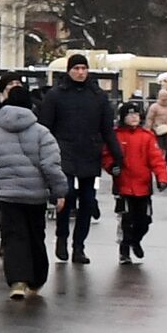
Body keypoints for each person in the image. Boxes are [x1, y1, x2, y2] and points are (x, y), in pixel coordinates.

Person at [0, 85, 66, 300]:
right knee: (36, 235)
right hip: (36, 196)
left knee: (14, 236)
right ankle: (36, 279)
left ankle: (17, 280)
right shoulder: (43, 133)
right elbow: (51, 165)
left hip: (6, 195)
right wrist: (59, 191)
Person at [39, 53, 123, 265]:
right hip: (63, 152)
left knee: (87, 201)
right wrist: (42, 153)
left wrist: (118, 155)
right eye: (76, 69)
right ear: (69, 71)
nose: (80, 72)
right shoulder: (56, 95)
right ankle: (61, 237)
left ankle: (79, 246)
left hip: (89, 152)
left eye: (83, 69)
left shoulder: (97, 96)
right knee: (65, 197)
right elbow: (45, 127)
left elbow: (107, 129)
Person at [106, 103, 167, 264]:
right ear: (123, 117)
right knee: (126, 220)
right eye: (130, 115)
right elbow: (107, 155)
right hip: (123, 185)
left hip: (143, 186)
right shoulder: (116, 136)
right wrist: (111, 166)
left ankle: (136, 240)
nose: (134, 117)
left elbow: (156, 159)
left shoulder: (146, 136)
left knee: (144, 221)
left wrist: (162, 178)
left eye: (136, 114)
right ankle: (124, 250)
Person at [144, 88, 167, 171]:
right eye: (162, 96)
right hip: (157, 131)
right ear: (159, 96)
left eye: (166, 96)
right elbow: (149, 119)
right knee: (159, 151)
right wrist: (148, 129)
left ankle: (164, 164)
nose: (164, 98)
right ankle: (159, 167)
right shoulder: (154, 106)